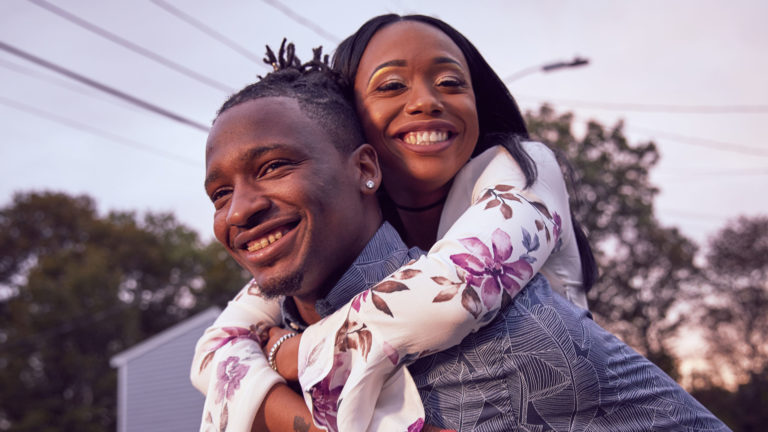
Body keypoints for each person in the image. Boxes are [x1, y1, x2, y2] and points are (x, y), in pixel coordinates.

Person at [196, 52, 728, 431]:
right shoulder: (262, 337)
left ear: (365, 169)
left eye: (274, 167)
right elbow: (214, 350)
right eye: (219, 195)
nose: (238, 210)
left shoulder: (512, 336)